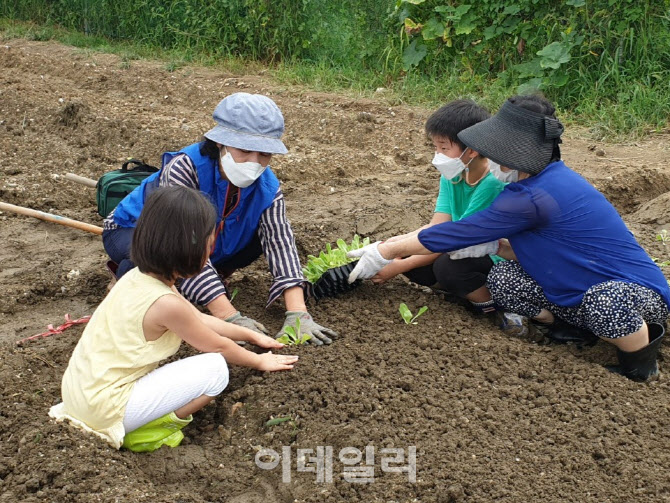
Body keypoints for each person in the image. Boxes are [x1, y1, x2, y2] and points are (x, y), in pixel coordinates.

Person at [347, 94, 669, 381]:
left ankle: (639, 363)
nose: (495, 161)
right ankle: (571, 328)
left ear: (517, 154)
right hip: (572, 292)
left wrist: (385, 250)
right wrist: (497, 246)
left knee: (605, 300)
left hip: (637, 297)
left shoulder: (534, 197)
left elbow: (455, 232)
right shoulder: (532, 186)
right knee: (503, 276)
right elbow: (545, 253)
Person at [50, 186, 299, 451]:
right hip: (104, 409)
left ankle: (133, 421)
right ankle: (146, 432)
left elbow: (198, 319)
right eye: (209, 243)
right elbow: (217, 346)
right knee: (215, 370)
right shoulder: (166, 304)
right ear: (188, 249)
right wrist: (260, 360)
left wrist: (250, 335)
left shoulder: (138, 278)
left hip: (79, 394)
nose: (211, 251)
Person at [101, 92, 336, 345]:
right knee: (154, 270)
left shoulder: (267, 186)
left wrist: (298, 314)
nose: (254, 163)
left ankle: (197, 283)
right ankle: (128, 278)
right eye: (245, 150)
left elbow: (281, 243)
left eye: (264, 155)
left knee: (263, 233)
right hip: (136, 232)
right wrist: (229, 317)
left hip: (210, 241)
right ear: (220, 144)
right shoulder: (185, 168)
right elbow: (182, 242)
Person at [371, 100, 514, 321]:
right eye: (435, 147)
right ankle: (462, 294)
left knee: (447, 268)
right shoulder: (453, 175)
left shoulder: (492, 183)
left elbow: (457, 237)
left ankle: (493, 309)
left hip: (490, 254)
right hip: (457, 243)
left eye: (444, 147)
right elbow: (438, 226)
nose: (438, 155)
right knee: (408, 251)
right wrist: (391, 246)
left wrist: (397, 267)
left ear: (472, 150)